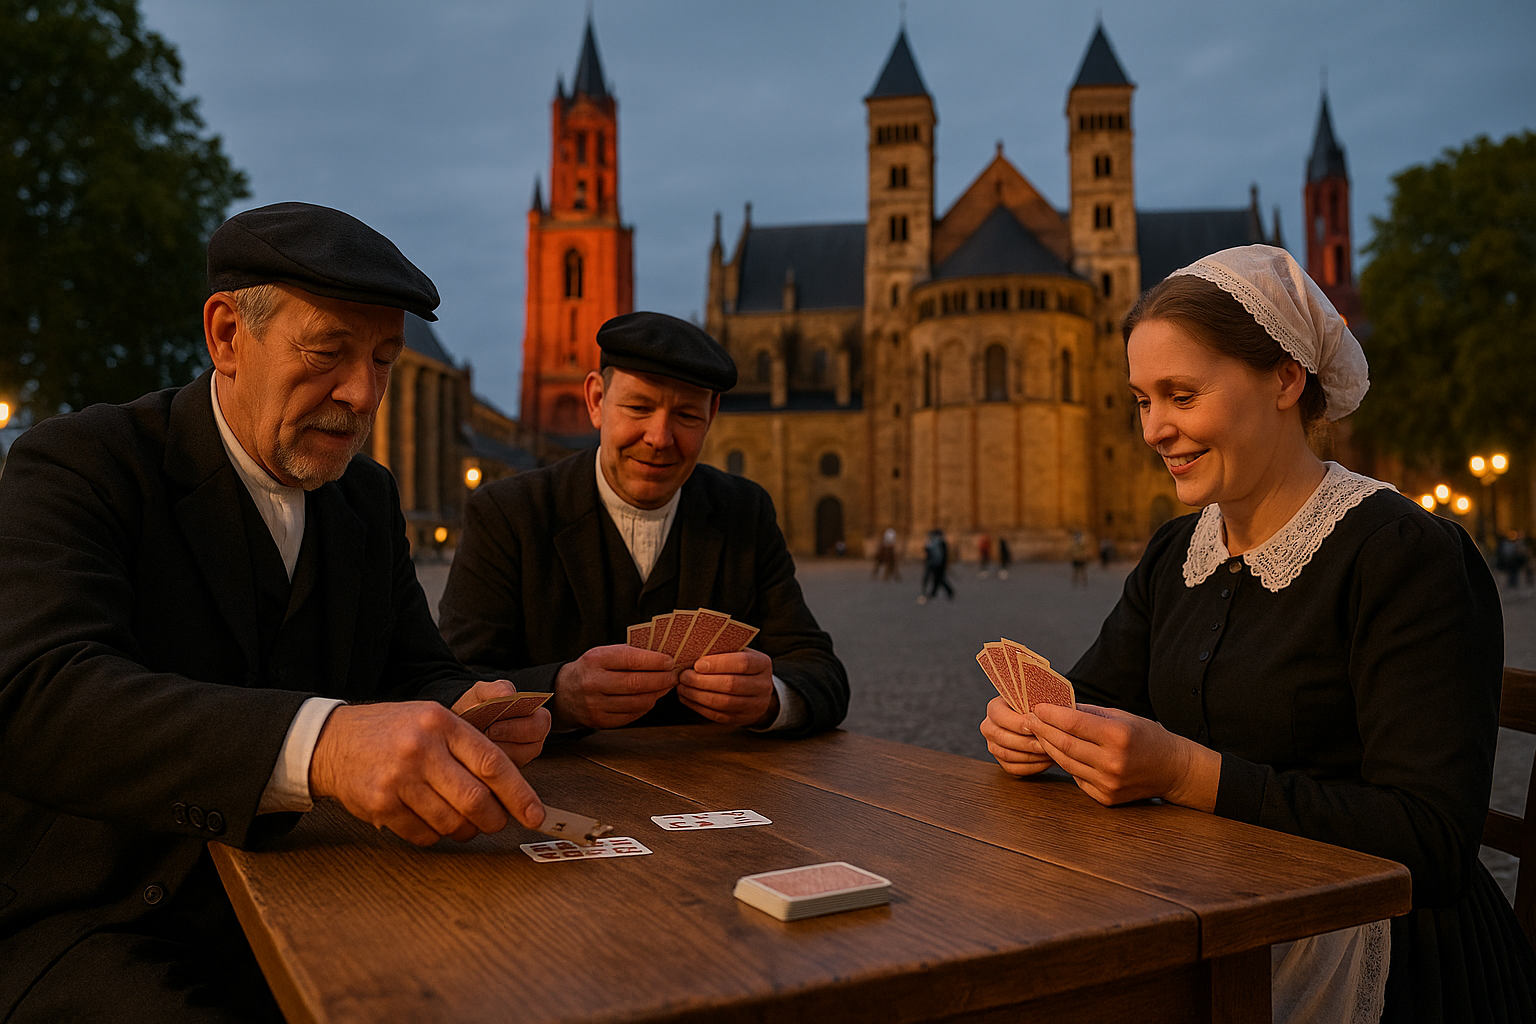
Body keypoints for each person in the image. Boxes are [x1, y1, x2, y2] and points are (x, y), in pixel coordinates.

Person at [0, 203, 552, 1023]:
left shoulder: (366, 498)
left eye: (384, 361)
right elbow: (40, 697)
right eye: (329, 352)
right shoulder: (79, 464)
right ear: (226, 335)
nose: (362, 394)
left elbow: (415, 666)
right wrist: (325, 746)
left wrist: (464, 709)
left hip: (324, 890)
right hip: (109, 922)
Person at [981, 245, 1535, 1023]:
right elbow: (1094, 698)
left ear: (1284, 379)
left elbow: (1432, 841)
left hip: (1387, 956)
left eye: (1181, 395)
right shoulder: (1179, 551)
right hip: (1202, 917)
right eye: (1142, 401)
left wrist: (1182, 772)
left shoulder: (1405, 555)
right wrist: (1035, 730)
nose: (1155, 429)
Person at [439, 312, 848, 736]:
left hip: (713, 788)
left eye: (687, 416)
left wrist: (772, 698)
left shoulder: (745, 512)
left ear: (712, 416)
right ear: (597, 400)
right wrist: (560, 694)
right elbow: (453, 681)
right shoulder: (507, 513)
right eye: (639, 407)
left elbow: (821, 671)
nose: (659, 437)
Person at [919, 527, 954, 603]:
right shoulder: (941, 542)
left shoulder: (936, 542)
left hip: (936, 564)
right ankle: (934, 592)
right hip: (938, 563)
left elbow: (931, 552)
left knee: (938, 578)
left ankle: (948, 591)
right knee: (937, 578)